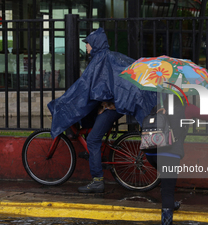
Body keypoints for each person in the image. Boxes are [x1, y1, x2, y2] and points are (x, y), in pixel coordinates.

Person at [47, 28, 157, 193]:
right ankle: (94, 157)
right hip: (115, 104)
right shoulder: (110, 57)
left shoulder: (101, 60)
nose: (86, 47)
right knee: (92, 124)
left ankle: (97, 181)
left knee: (92, 140)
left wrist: (66, 103)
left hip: (114, 106)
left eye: (88, 44)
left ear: (95, 44)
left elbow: (85, 88)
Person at [146, 97, 208, 225]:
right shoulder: (187, 108)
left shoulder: (157, 106)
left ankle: (172, 205)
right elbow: (207, 115)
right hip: (170, 154)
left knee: (166, 181)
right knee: (167, 190)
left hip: (151, 154)